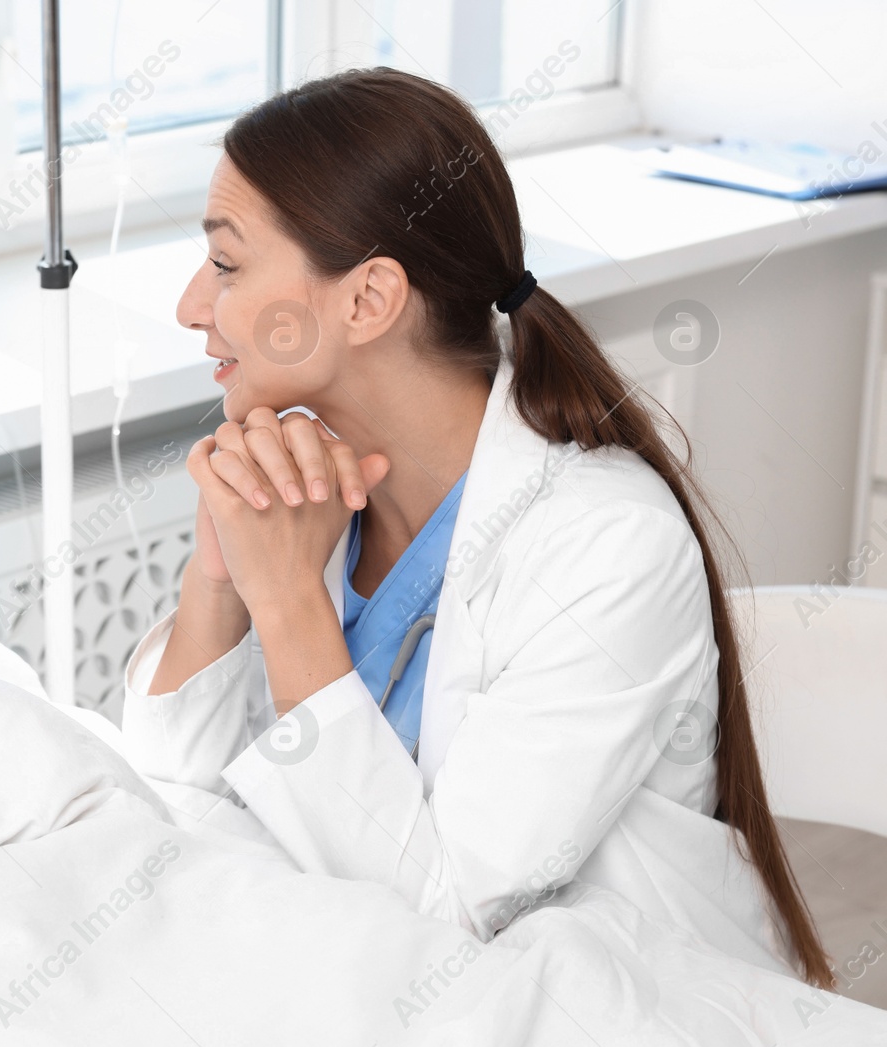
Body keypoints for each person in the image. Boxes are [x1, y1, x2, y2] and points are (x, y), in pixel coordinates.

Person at [116, 68, 831, 988]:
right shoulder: (311, 489)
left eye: (225, 264)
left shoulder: (606, 547)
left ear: (368, 300)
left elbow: (446, 925)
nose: (190, 307)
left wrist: (290, 603)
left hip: (599, 1013)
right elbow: (173, 798)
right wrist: (218, 580)